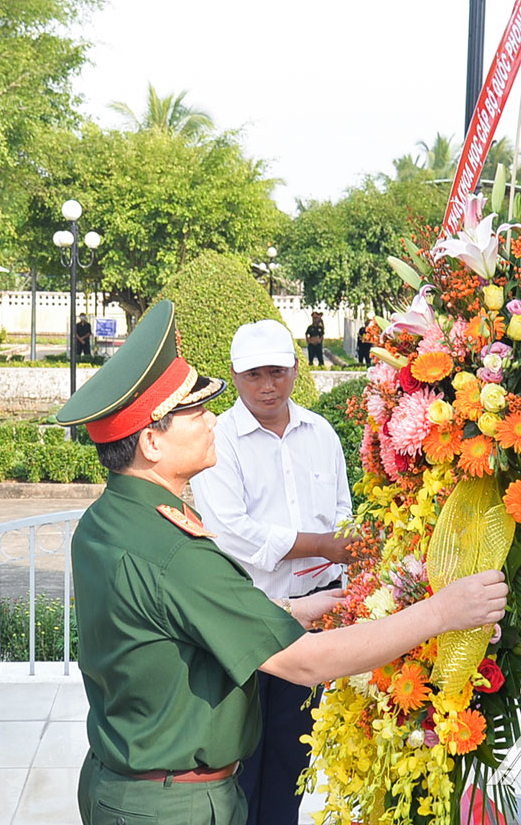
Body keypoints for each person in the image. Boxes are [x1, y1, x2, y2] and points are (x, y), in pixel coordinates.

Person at [55, 300, 508, 825]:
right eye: (194, 412)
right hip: (171, 804)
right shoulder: (175, 549)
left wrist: (292, 610)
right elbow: (306, 663)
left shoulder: (110, 518)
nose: (210, 423)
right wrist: (442, 612)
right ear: (152, 442)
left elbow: (169, 621)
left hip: (124, 781)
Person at [189, 319, 357, 825]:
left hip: (312, 621)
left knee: (292, 753)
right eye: (254, 375)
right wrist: (325, 545)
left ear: (296, 370)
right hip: (245, 617)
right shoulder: (221, 439)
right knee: (239, 755)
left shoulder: (320, 432)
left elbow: (342, 511)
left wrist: (343, 576)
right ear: (235, 377)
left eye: (277, 373)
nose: (267, 386)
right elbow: (235, 533)